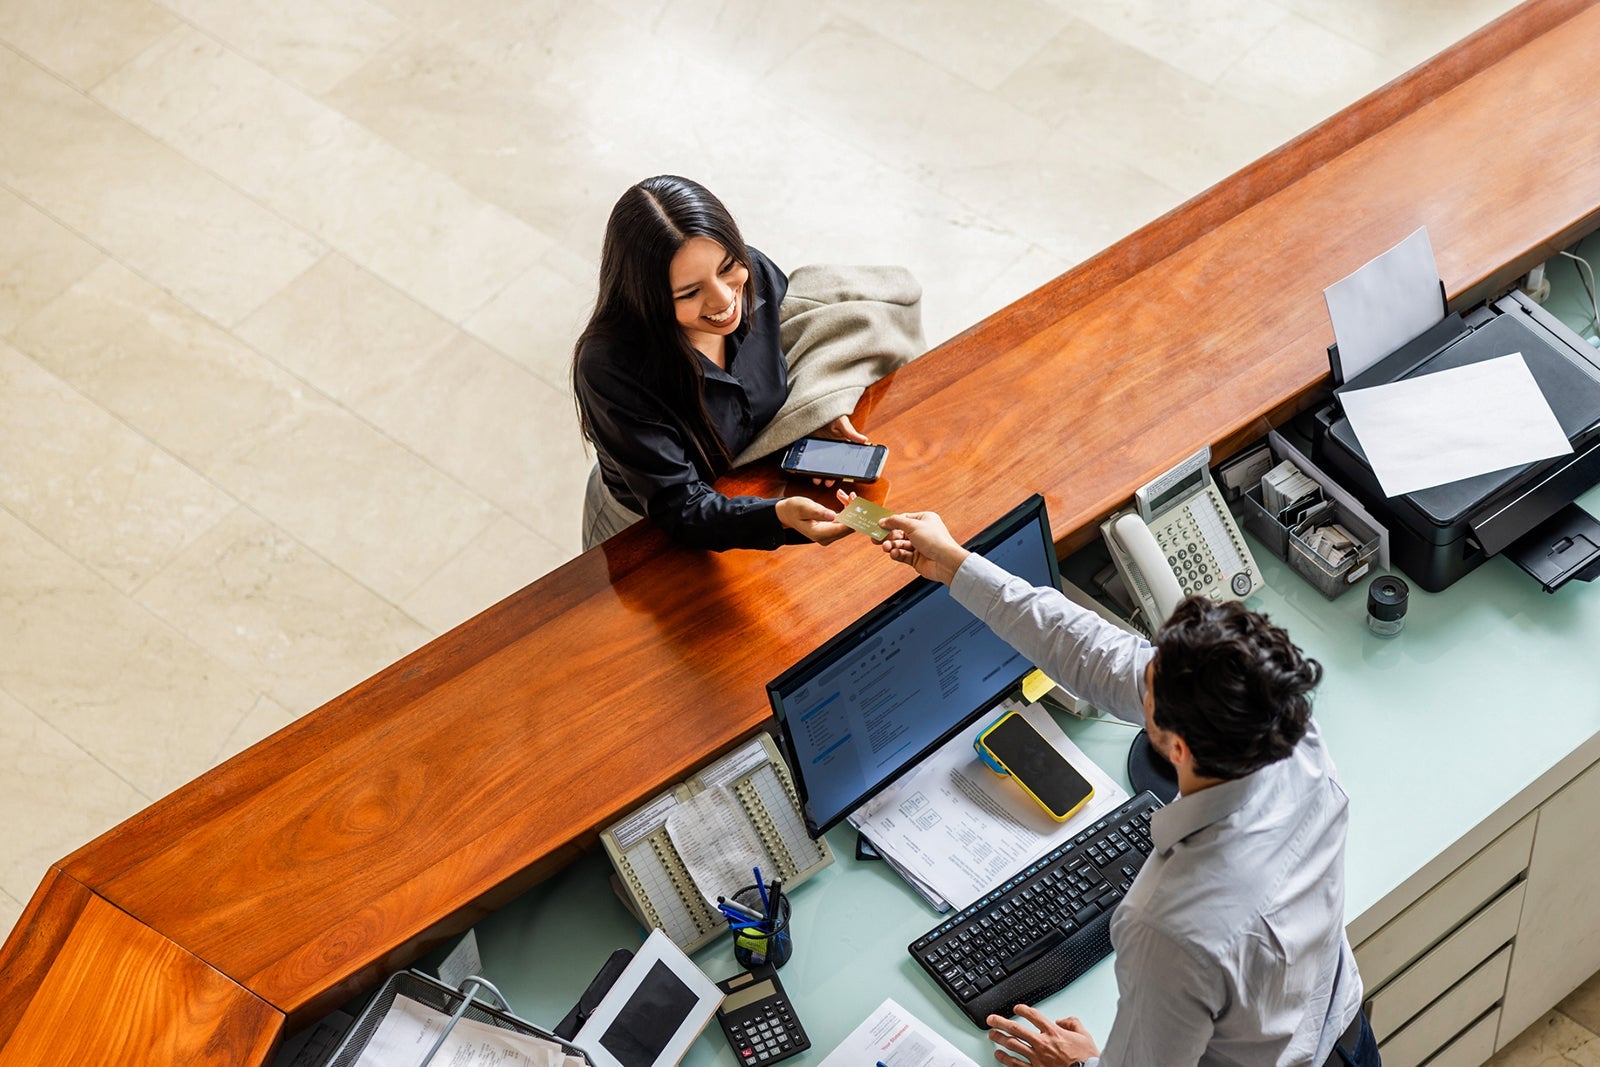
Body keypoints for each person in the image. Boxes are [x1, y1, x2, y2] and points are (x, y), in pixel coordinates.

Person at [877, 509, 1380, 1067]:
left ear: (1178, 749)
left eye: (1150, 681)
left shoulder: (1169, 926)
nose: (1138, 671)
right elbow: (1097, 654)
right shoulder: (1290, 731)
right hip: (1347, 1035)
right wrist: (955, 564)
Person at [573, 175, 864, 551]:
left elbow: (786, 347)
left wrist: (812, 413)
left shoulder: (754, 271)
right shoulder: (611, 369)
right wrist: (773, 517)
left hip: (745, 487)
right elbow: (680, 505)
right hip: (642, 525)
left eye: (727, 267)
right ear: (647, 299)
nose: (725, 299)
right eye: (690, 292)